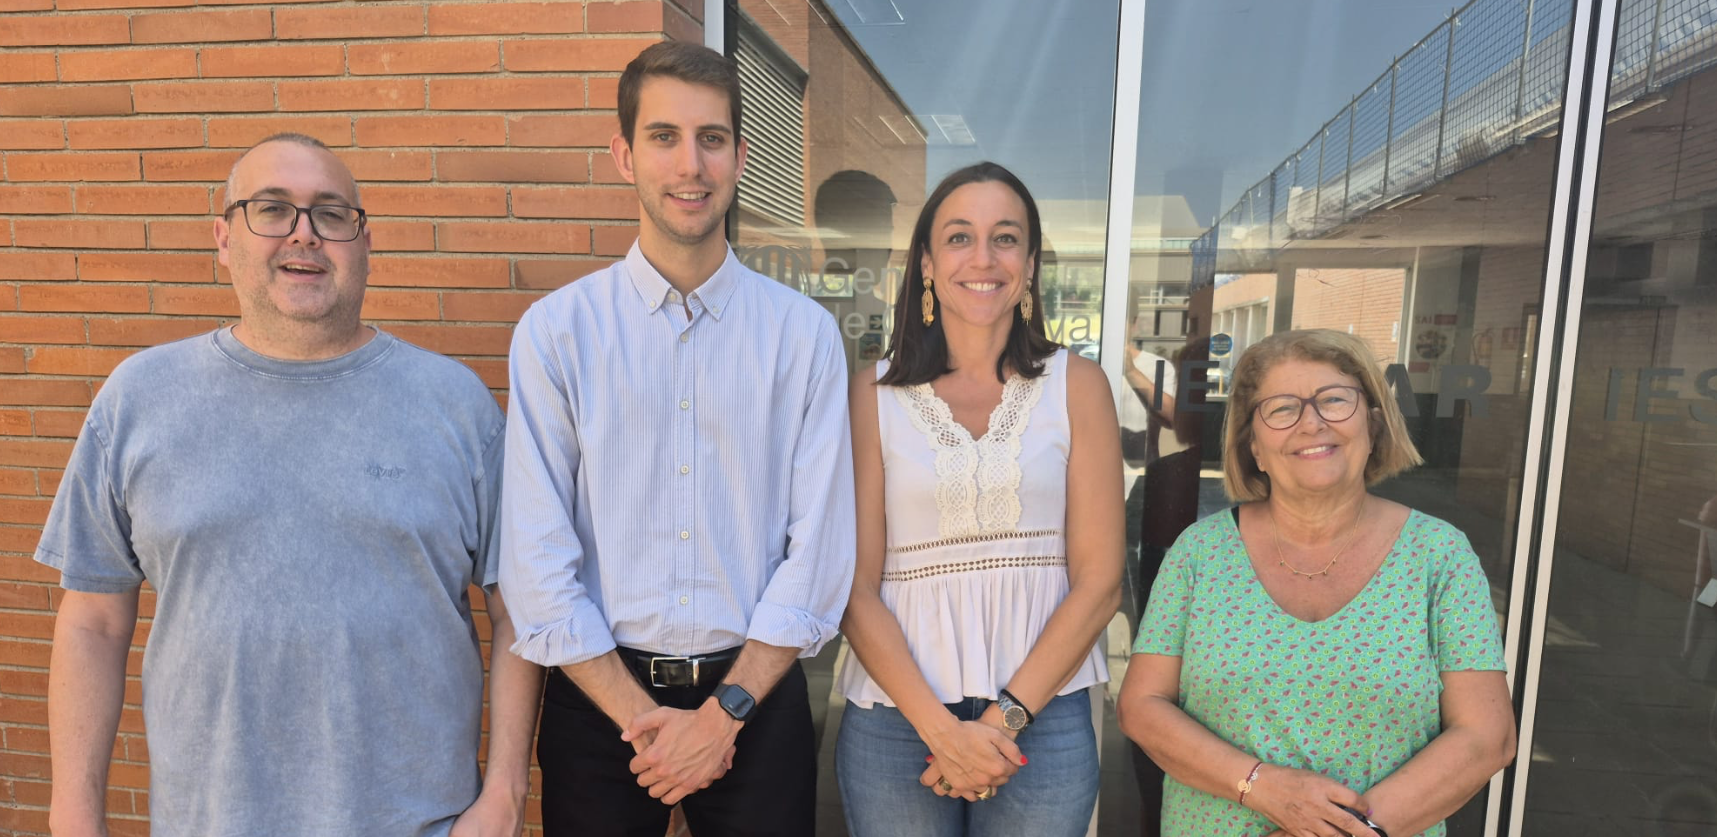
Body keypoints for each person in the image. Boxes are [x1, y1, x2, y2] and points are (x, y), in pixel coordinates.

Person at [37, 133, 542, 837]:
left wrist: (504, 793)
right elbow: (92, 620)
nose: (304, 235)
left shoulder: (453, 404)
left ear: (366, 242)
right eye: (271, 209)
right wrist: (73, 816)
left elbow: (517, 604)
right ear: (222, 237)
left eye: (331, 214)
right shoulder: (138, 400)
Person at [498, 41, 855, 837]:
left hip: (754, 696)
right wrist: (645, 720)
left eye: (712, 138)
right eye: (663, 137)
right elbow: (534, 559)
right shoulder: (558, 333)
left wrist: (721, 715)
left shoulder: (802, 337)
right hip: (599, 703)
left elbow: (820, 547)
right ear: (624, 156)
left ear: (740, 155)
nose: (689, 165)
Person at [1118, 328, 1517, 837]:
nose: (1312, 423)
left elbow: (1487, 736)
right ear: (1254, 447)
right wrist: (1265, 788)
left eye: (1334, 400)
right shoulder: (1200, 553)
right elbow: (1142, 707)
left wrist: (1339, 832)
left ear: (1373, 425)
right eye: (1282, 409)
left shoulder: (1439, 556)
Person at [833, 161, 1124, 837]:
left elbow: (1101, 578)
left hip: (1042, 716)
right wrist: (941, 730)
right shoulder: (869, 394)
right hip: (895, 717)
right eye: (959, 237)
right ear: (927, 264)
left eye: (1005, 237)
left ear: (1027, 264)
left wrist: (1000, 723)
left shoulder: (1076, 386)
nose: (983, 257)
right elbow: (854, 584)